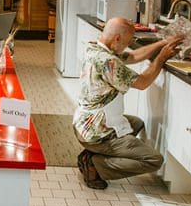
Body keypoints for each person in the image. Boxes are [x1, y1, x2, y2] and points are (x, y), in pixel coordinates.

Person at [73, 17, 181, 190]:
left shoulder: (94, 48)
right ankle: (96, 165)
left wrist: (163, 43)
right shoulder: (108, 62)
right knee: (154, 160)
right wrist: (161, 58)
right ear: (117, 39)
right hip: (97, 132)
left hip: (83, 123)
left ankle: (90, 155)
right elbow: (143, 82)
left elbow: (133, 56)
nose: (127, 45)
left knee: (136, 123)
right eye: (127, 41)